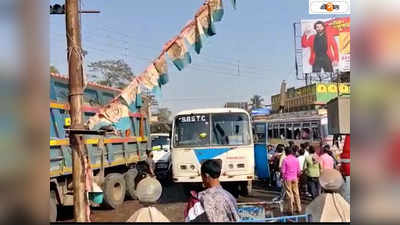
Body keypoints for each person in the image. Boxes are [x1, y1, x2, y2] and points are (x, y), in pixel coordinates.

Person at [281, 147, 302, 215]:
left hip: (287, 178)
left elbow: (283, 171)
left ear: (286, 152)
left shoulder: (285, 160)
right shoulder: (296, 159)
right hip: (295, 178)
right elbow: (299, 171)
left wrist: (283, 178)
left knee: (289, 193)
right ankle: (298, 208)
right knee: (296, 193)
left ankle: (290, 209)